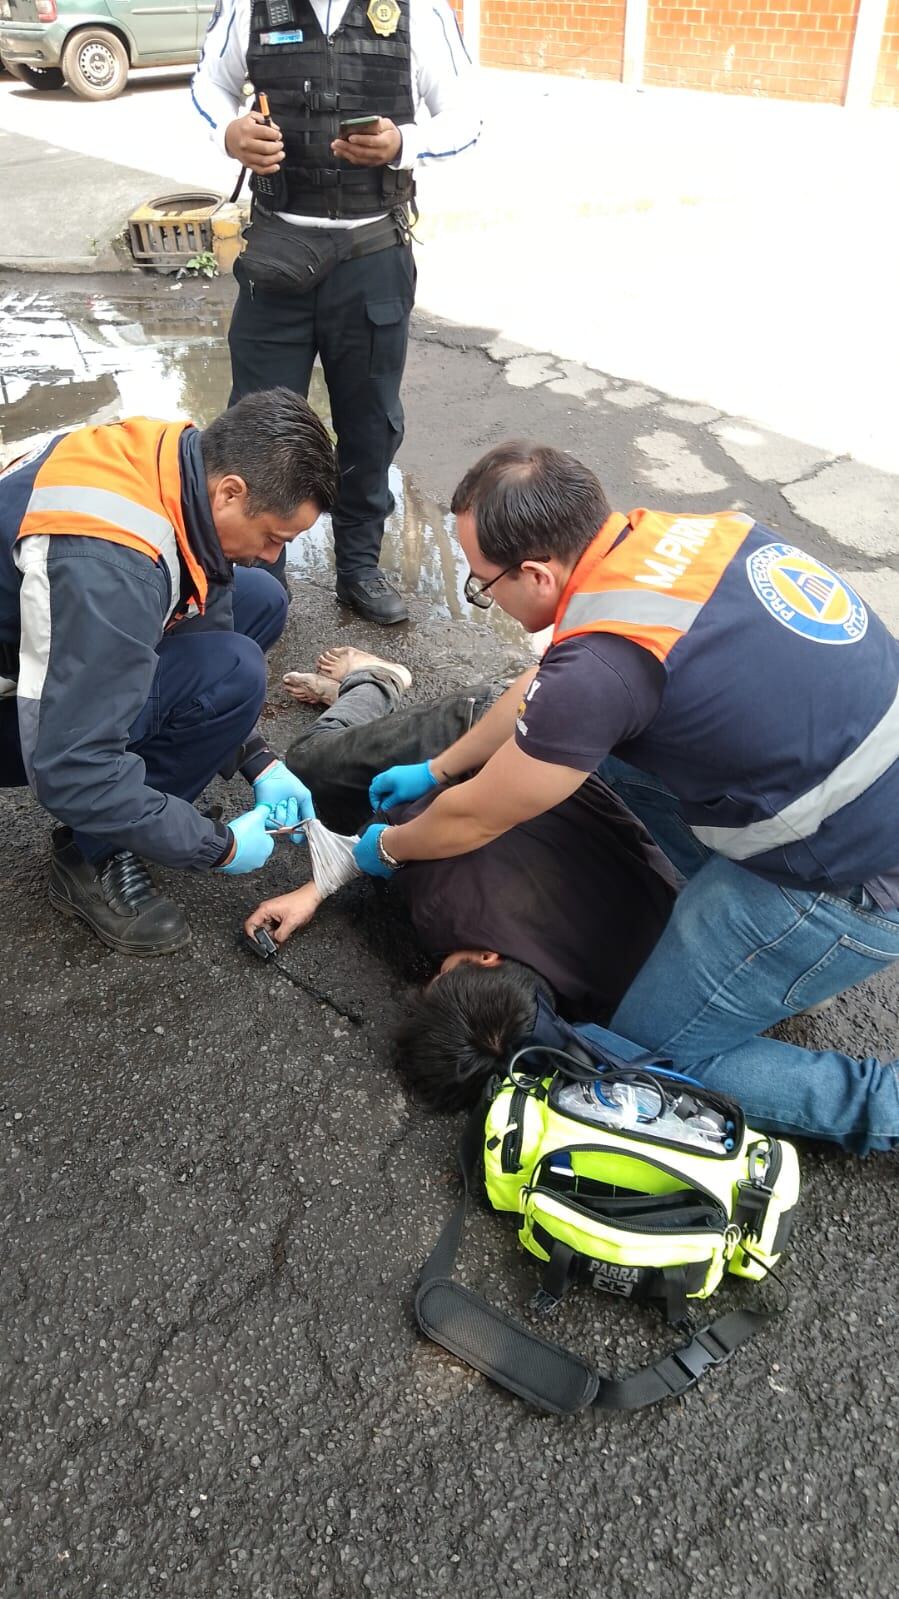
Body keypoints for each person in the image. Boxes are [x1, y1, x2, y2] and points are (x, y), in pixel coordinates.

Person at [351, 441, 899, 1155]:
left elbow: (486, 810)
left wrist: (388, 845)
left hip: (846, 885)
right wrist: (441, 766)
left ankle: (876, 1103)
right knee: (593, 749)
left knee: (638, 1064)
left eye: (482, 584)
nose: (484, 595)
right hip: (856, 795)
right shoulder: (673, 539)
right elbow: (551, 689)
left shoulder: (607, 662)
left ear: (536, 574)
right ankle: (766, 970)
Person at [244, 644, 679, 1107]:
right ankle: (373, 678)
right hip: (507, 724)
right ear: (488, 958)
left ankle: (372, 723)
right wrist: (318, 886)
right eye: (443, 973)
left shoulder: (623, 993)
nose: (436, 967)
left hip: (579, 767)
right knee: (310, 766)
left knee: (360, 760)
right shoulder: (448, 905)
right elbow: (396, 832)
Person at [0, 388, 336, 956]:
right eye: (276, 537)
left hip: (39, 641)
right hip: (32, 709)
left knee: (260, 599)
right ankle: (93, 853)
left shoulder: (179, 461)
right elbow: (70, 768)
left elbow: (210, 613)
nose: (276, 554)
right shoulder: (112, 564)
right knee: (234, 673)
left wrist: (258, 759)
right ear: (232, 492)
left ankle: (137, 807)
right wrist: (217, 846)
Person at [191, 0, 480, 625]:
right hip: (277, 256)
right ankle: (260, 577)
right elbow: (207, 83)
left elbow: (466, 115)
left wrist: (405, 142)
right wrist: (228, 132)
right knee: (258, 428)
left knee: (369, 424)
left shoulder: (417, 14)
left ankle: (358, 567)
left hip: (372, 255)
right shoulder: (251, 7)